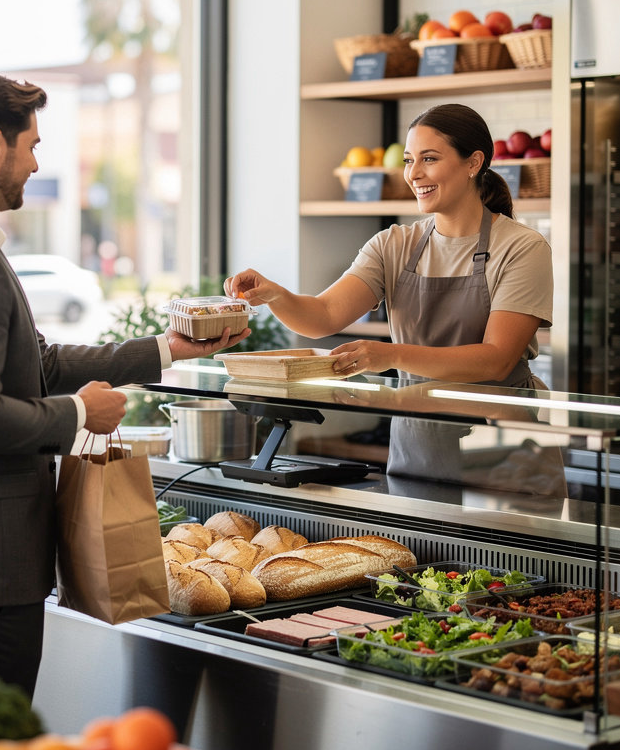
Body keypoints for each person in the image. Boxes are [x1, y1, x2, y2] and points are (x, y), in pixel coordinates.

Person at [0, 67, 249, 697]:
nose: (35, 164)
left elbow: (38, 365)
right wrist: (78, 415)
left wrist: (168, 350)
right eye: (34, 146)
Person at [224, 103, 554, 480]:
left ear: (473, 163)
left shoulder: (523, 247)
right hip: (418, 436)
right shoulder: (393, 245)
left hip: (502, 444)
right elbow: (324, 316)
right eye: (410, 160)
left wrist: (389, 354)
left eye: (429, 159)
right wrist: (274, 294)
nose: (414, 174)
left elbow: (495, 360)